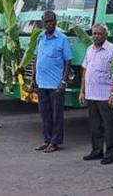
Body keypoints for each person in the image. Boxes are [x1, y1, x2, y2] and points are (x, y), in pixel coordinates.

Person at [79, 24, 113, 165]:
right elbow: (85, 70)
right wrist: (82, 91)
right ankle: (97, 151)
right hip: (91, 94)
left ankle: (110, 153)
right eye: (94, 34)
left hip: (105, 95)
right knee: (95, 125)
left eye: (99, 34)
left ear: (105, 35)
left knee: (108, 125)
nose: (96, 36)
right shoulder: (89, 49)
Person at [33, 11, 73, 153]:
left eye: (51, 21)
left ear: (55, 22)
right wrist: (33, 80)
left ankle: (55, 142)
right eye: (46, 22)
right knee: (45, 115)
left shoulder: (62, 39)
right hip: (41, 83)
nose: (49, 24)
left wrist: (63, 81)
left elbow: (68, 61)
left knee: (57, 115)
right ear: (42, 23)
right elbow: (37, 59)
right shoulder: (40, 38)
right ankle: (47, 140)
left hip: (55, 85)